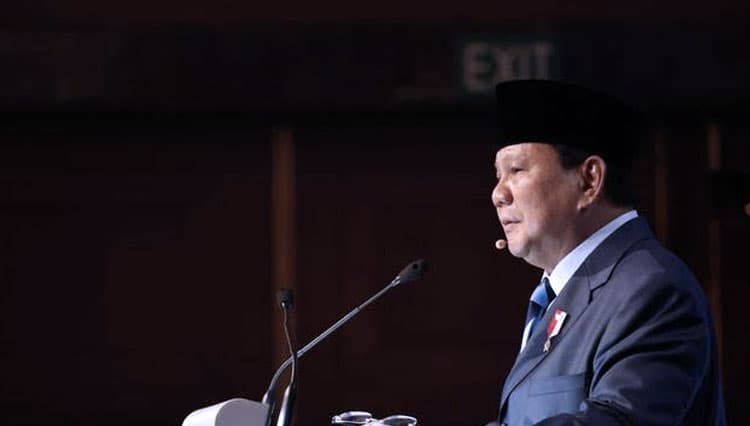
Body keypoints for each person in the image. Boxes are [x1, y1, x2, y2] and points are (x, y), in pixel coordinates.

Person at [487, 80, 726, 425]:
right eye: (498, 175)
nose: (498, 194)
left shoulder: (652, 289)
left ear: (589, 180)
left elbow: (618, 419)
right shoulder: (556, 295)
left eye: (516, 170)